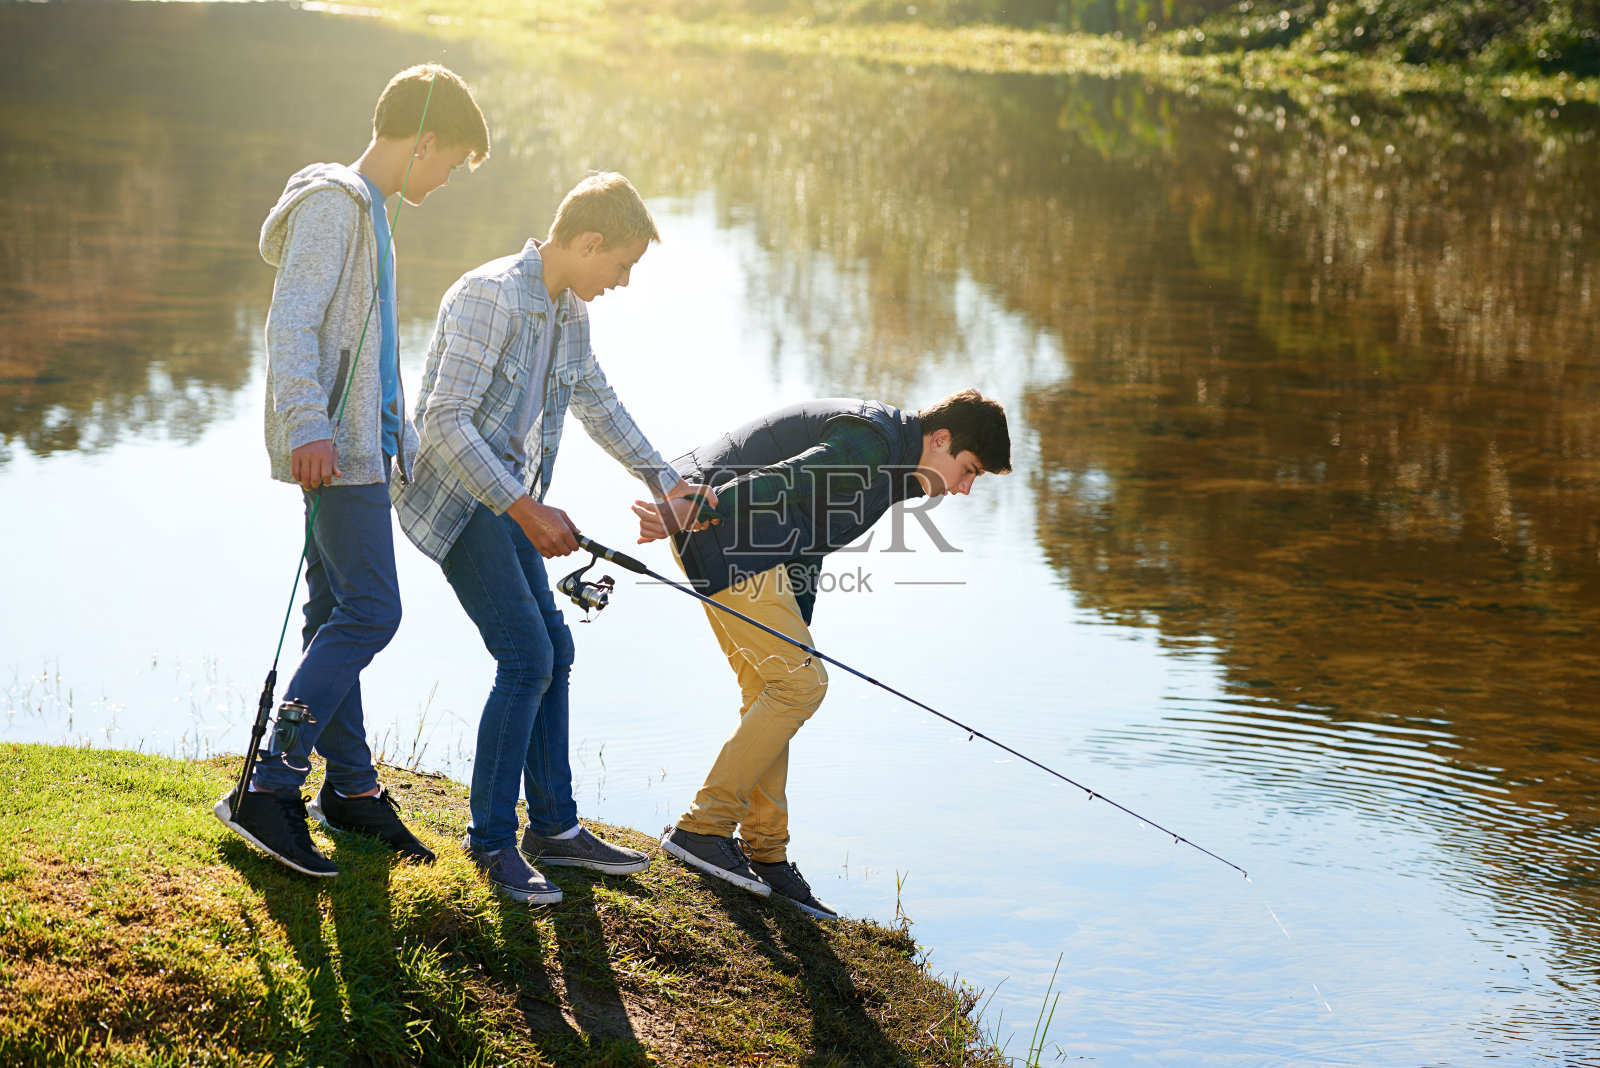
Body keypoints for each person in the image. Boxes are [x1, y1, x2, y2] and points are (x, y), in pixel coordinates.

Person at [392, 172, 711, 904]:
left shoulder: (570, 314)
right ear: (588, 241)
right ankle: (492, 844)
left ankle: (555, 830)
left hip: (510, 501)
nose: (624, 282)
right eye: (622, 265)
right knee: (527, 654)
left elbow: (596, 398)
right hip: (461, 497)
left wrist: (663, 478)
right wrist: (524, 509)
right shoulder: (487, 295)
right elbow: (443, 421)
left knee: (555, 648)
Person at [214, 64, 490, 878]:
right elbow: (292, 321)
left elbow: (368, 340)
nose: (441, 183)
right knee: (372, 611)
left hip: (360, 442)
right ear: (426, 139)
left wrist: (395, 425)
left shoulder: (373, 212)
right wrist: (308, 423)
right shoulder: (335, 205)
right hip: (332, 445)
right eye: (446, 165)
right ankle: (270, 786)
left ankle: (354, 793)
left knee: (336, 606)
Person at [636, 390, 1011, 919]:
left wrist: (799, 629)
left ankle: (765, 854)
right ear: (941, 439)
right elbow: (788, 479)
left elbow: (810, 536)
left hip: (742, 534)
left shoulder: (898, 467)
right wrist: (697, 505)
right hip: (720, 523)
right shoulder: (873, 440)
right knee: (800, 685)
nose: (966, 488)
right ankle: (703, 829)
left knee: (775, 688)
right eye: (969, 470)